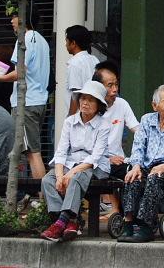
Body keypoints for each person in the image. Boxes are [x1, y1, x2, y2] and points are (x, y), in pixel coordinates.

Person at [119, 85, 164, 243]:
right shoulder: (147, 120)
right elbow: (138, 147)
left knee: (154, 178)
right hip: (147, 167)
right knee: (133, 177)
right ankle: (128, 222)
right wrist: (136, 166)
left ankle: (146, 226)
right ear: (155, 105)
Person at [40, 80, 110, 242]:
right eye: (83, 98)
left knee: (77, 177)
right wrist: (59, 176)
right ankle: (67, 221)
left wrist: (70, 173)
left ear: (99, 105)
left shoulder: (104, 125)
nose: (85, 103)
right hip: (71, 163)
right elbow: (61, 152)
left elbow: (95, 158)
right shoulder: (69, 122)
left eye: (91, 100)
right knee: (48, 180)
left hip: (95, 167)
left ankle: (62, 222)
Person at [0, 7, 50, 179]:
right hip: (38, 101)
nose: (11, 20)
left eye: (14, 16)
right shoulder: (42, 40)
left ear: (23, 18)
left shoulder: (24, 39)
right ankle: (36, 191)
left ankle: (42, 193)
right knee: (30, 151)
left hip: (26, 102)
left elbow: (20, 72)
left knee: (32, 152)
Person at [93, 60, 138, 214]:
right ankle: (114, 209)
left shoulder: (121, 104)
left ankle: (125, 214)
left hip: (119, 160)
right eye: (110, 85)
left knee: (135, 173)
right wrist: (107, 159)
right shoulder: (90, 108)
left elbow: (137, 129)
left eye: (116, 84)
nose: (115, 90)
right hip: (97, 161)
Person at [64, 25, 100, 117]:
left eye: (67, 41)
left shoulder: (74, 63)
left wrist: (71, 118)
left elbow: (75, 95)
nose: (65, 44)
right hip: (95, 113)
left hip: (80, 116)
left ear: (73, 43)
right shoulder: (94, 59)